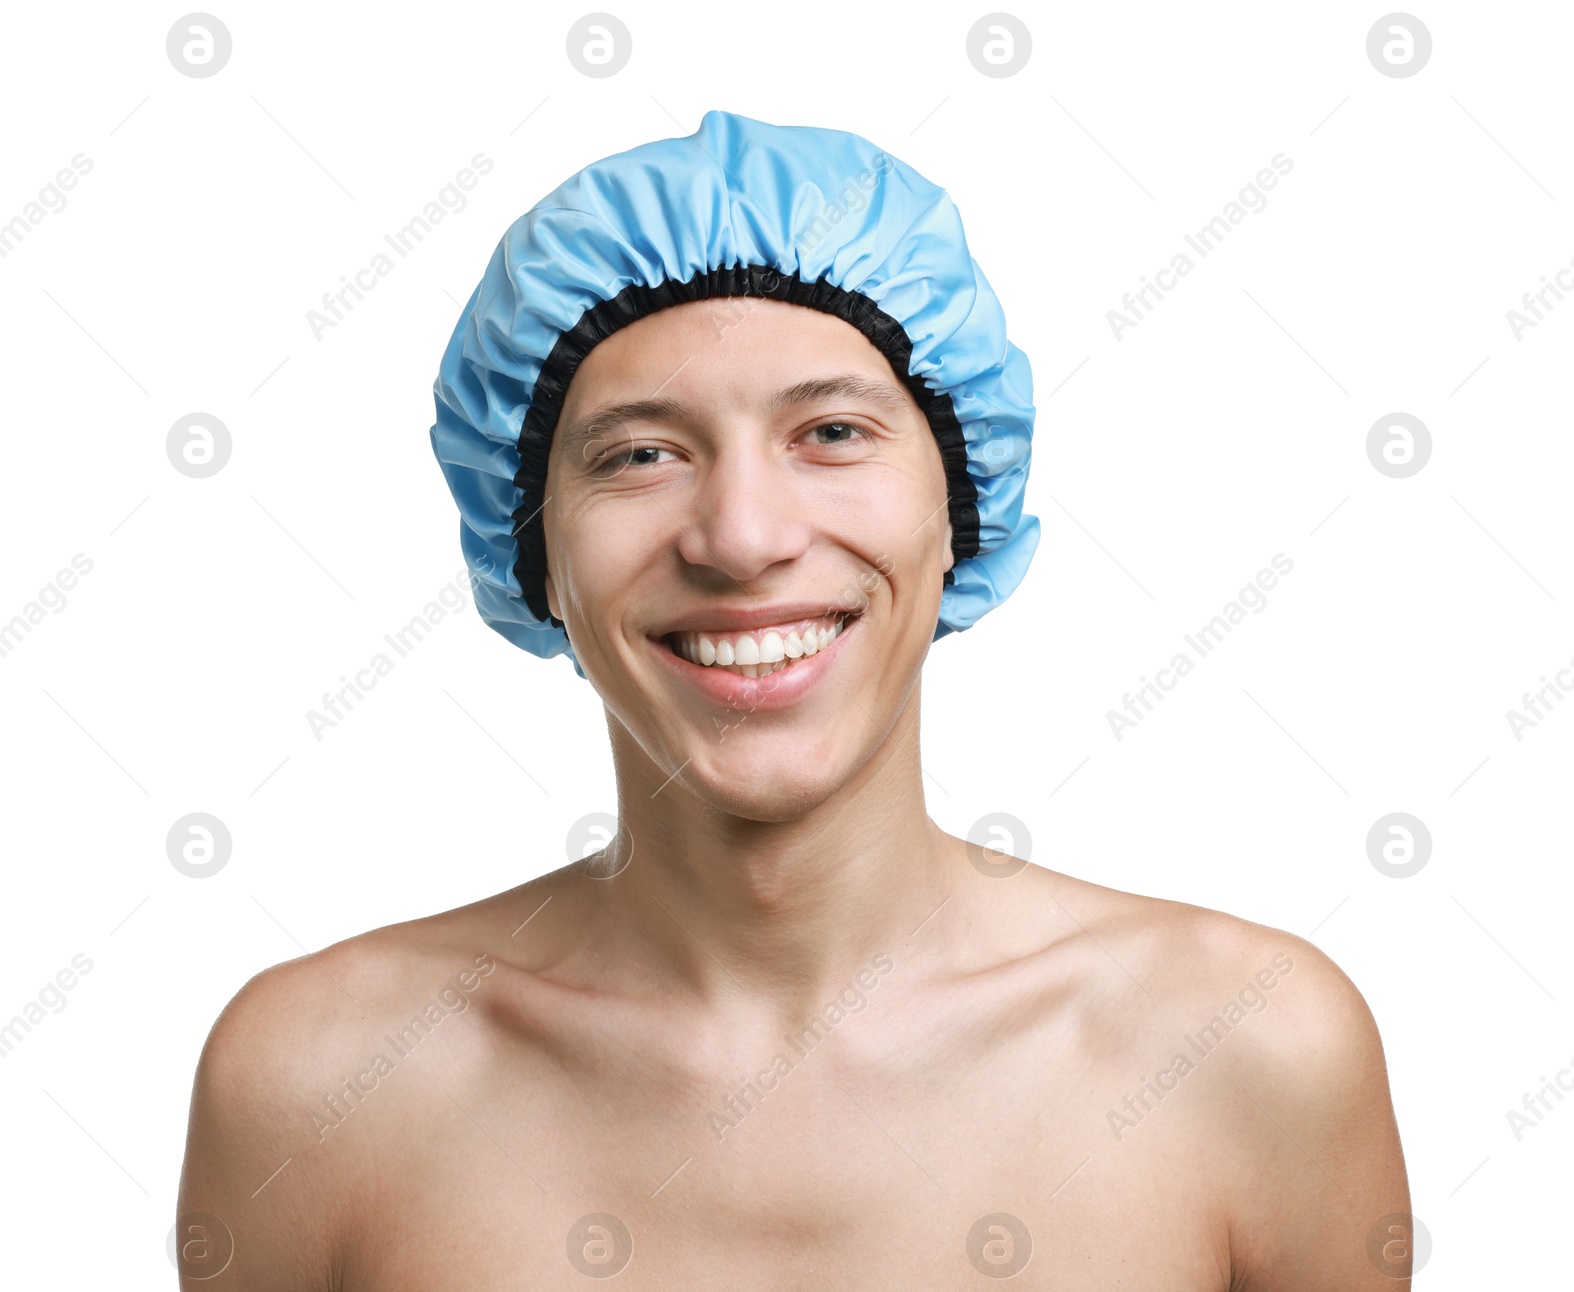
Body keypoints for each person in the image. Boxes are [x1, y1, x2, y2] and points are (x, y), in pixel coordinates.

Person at [177, 110, 1413, 1287]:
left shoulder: (1251, 1052)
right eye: (639, 454)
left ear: (956, 513)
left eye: (830, 431)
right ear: (533, 548)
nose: (741, 535)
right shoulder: (312, 1088)